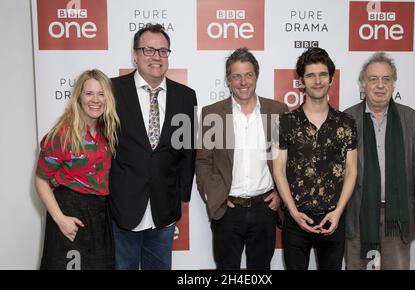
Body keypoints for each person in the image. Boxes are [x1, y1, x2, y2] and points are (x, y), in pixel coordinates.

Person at [109, 23, 197, 270]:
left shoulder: (185, 96)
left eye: (162, 51)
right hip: (122, 206)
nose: (156, 57)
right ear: (135, 55)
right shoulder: (112, 90)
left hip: (164, 207)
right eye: (148, 50)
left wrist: (182, 195)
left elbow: (187, 150)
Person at [196, 48, 288, 270]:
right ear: (228, 80)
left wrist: (280, 195)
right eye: (236, 76)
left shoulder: (278, 110)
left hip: (265, 209)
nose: (243, 81)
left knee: (261, 271)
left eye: (248, 75)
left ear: (256, 76)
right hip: (228, 210)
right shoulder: (213, 114)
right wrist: (215, 196)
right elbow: (203, 162)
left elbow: (290, 160)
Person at [344, 52, 415, 270]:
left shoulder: (411, 119)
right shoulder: (347, 119)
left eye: (386, 79)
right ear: (363, 84)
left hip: (397, 215)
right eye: (373, 79)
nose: (380, 85)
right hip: (358, 213)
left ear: (393, 84)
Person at [272, 47, 358, 270]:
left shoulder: (346, 123)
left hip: (333, 219)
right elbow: (278, 169)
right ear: (301, 81)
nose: (317, 80)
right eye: (310, 75)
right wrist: (292, 211)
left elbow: (351, 170)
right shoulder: (285, 122)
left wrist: (338, 212)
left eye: (322, 74)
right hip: (295, 219)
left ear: (331, 78)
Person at [35, 69, 120, 270]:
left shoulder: (106, 130)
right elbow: (40, 180)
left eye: (101, 94)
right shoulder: (62, 133)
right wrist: (60, 219)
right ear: (79, 97)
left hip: (100, 214)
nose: (95, 100)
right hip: (70, 212)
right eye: (89, 93)